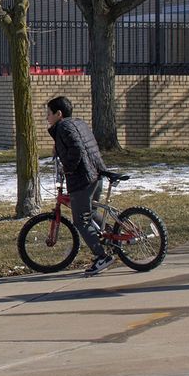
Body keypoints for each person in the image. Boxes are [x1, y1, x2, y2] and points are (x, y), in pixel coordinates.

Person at [45, 95, 118, 277]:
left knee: (81, 220)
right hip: (96, 174)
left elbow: (76, 150)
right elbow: (80, 145)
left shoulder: (63, 127)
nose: (47, 117)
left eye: (48, 113)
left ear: (58, 114)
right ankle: (113, 236)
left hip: (82, 178)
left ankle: (102, 257)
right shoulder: (77, 123)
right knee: (90, 210)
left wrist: (67, 168)